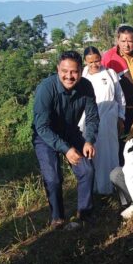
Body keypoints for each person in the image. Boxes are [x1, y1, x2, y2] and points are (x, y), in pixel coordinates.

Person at [32, 50, 99, 229]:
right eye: (64, 71)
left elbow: (92, 117)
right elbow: (42, 126)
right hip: (45, 135)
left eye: (74, 72)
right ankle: (57, 216)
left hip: (71, 132)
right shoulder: (46, 88)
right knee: (53, 178)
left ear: (80, 70)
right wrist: (66, 149)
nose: (69, 76)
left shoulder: (86, 87)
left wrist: (89, 140)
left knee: (87, 170)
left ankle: (85, 212)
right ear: (57, 69)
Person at [79, 46, 125, 195]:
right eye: (90, 62)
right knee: (94, 154)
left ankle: (113, 186)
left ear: (101, 58)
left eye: (97, 61)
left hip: (110, 120)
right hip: (90, 122)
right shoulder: (82, 78)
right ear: (85, 62)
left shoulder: (110, 73)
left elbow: (120, 97)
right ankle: (96, 188)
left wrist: (120, 117)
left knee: (112, 152)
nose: (94, 65)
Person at [101, 25, 133, 166]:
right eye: (123, 41)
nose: (127, 45)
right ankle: (123, 179)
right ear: (117, 40)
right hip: (122, 110)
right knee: (123, 144)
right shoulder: (109, 58)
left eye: (129, 41)